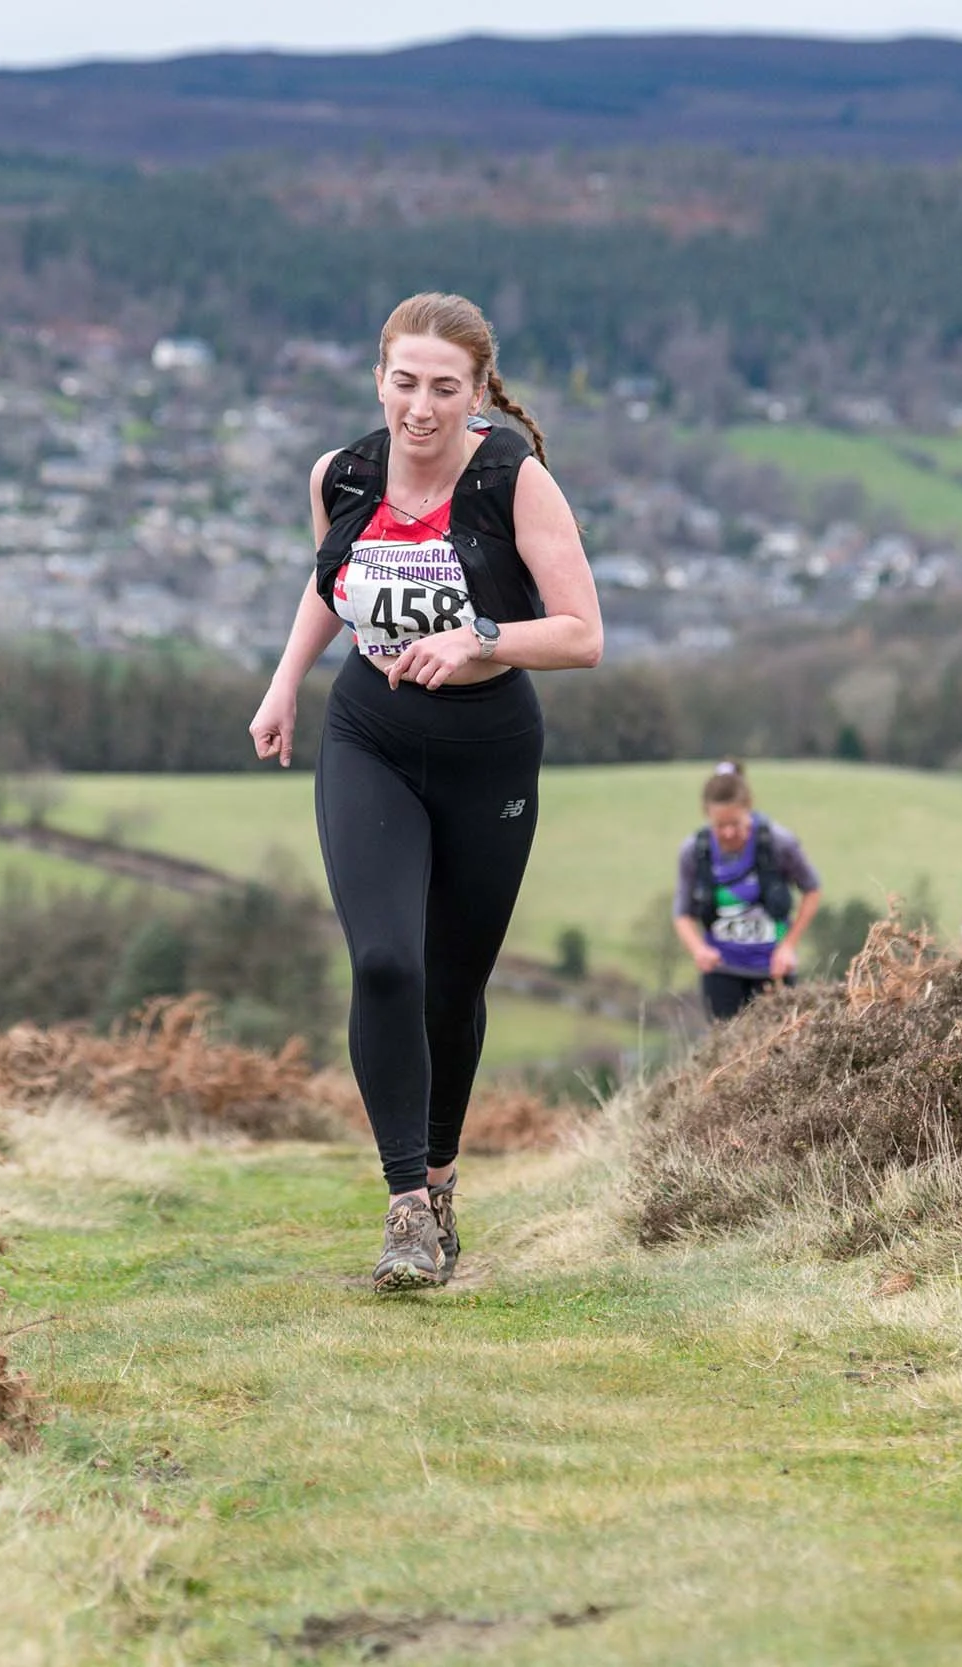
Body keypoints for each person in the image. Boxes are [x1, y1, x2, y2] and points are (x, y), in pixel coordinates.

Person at [249, 292, 603, 1293]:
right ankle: (405, 1201)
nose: (421, 405)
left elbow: (582, 632)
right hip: (371, 732)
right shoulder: (343, 474)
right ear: (379, 380)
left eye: (444, 387)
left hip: (488, 749)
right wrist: (283, 686)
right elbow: (330, 583)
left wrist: (481, 636)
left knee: (451, 982)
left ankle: (443, 1179)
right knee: (385, 962)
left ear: (477, 392)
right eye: (404, 382)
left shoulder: (514, 482)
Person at [672, 761, 823, 1022]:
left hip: (773, 968)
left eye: (735, 823)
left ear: (748, 809)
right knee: (727, 1054)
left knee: (778, 1051)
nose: (728, 832)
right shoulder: (694, 852)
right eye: (720, 826)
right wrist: (698, 950)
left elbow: (812, 889)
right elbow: (682, 913)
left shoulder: (778, 842)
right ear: (707, 815)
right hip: (722, 970)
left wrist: (788, 946)